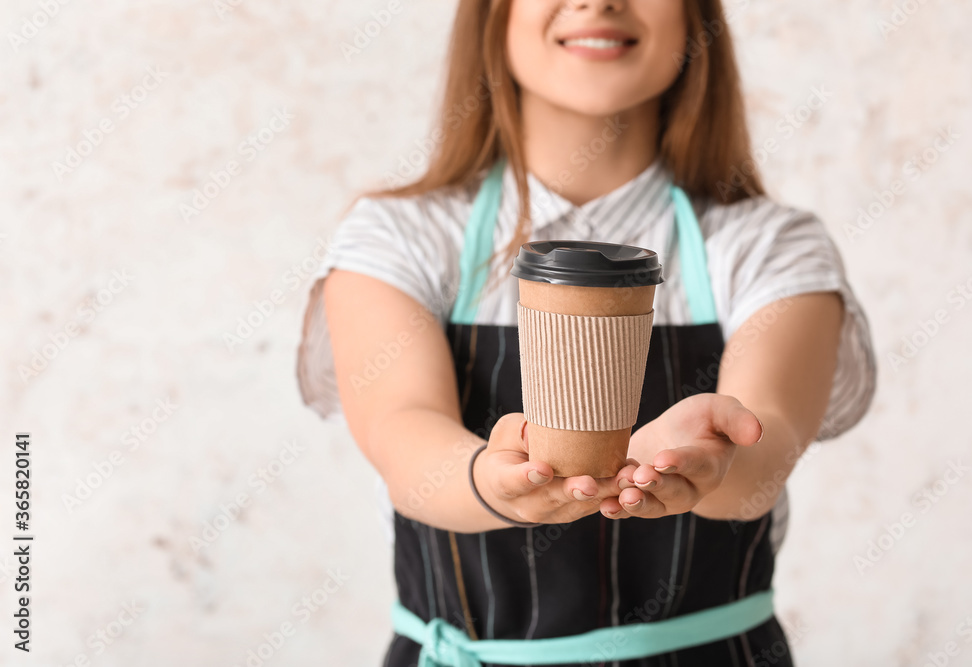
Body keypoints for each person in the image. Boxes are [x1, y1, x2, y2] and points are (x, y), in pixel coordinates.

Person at [296, 1, 876, 665]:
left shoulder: (767, 245)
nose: (599, 1)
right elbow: (403, 431)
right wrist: (492, 479)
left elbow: (764, 446)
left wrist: (710, 459)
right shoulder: (401, 238)